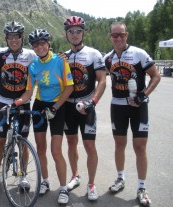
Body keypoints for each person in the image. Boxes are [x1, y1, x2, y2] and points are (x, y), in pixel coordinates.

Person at [13, 28, 74, 204]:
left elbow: (69, 87)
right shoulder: (33, 66)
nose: (39, 47)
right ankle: (45, 181)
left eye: (42, 43)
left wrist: (55, 107)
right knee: (40, 148)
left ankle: (63, 188)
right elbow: (29, 91)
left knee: (55, 150)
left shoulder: (60, 61)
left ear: (48, 44)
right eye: (35, 44)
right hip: (39, 105)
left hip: (57, 105)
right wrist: (16, 103)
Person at [104, 21, 161, 206]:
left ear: (127, 35)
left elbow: (156, 75)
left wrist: (143, 95)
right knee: (119, 145)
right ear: (110, 37)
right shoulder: (108, 58)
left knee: (140, 147)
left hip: (138, 106)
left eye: (121, 34)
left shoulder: (139, 54)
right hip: (117, 106)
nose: (118, 38)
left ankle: (142, 187)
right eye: (115, 35)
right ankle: (120, 178)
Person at [0, 21, 37, 192]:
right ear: (6, 38)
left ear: (22, 38)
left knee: (23, 141)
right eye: (10, 36)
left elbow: (47, 57)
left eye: (17, 36)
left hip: (23, 103)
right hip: (4, 102)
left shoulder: (31, 55)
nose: (13, 39)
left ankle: (23, 175)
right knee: (0, 140)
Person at [62, 16, 106, 201]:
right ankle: (75, 175)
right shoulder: (63, 56)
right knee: (71, 144)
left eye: (78, 30)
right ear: (66, 34)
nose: (75, 34)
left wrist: (93, 102)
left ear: (83, 32)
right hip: (68, 108)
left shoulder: (94, 54)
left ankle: (91, 184)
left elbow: (102, 81)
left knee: (89, 146)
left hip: (87, 107)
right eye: (71, 31)